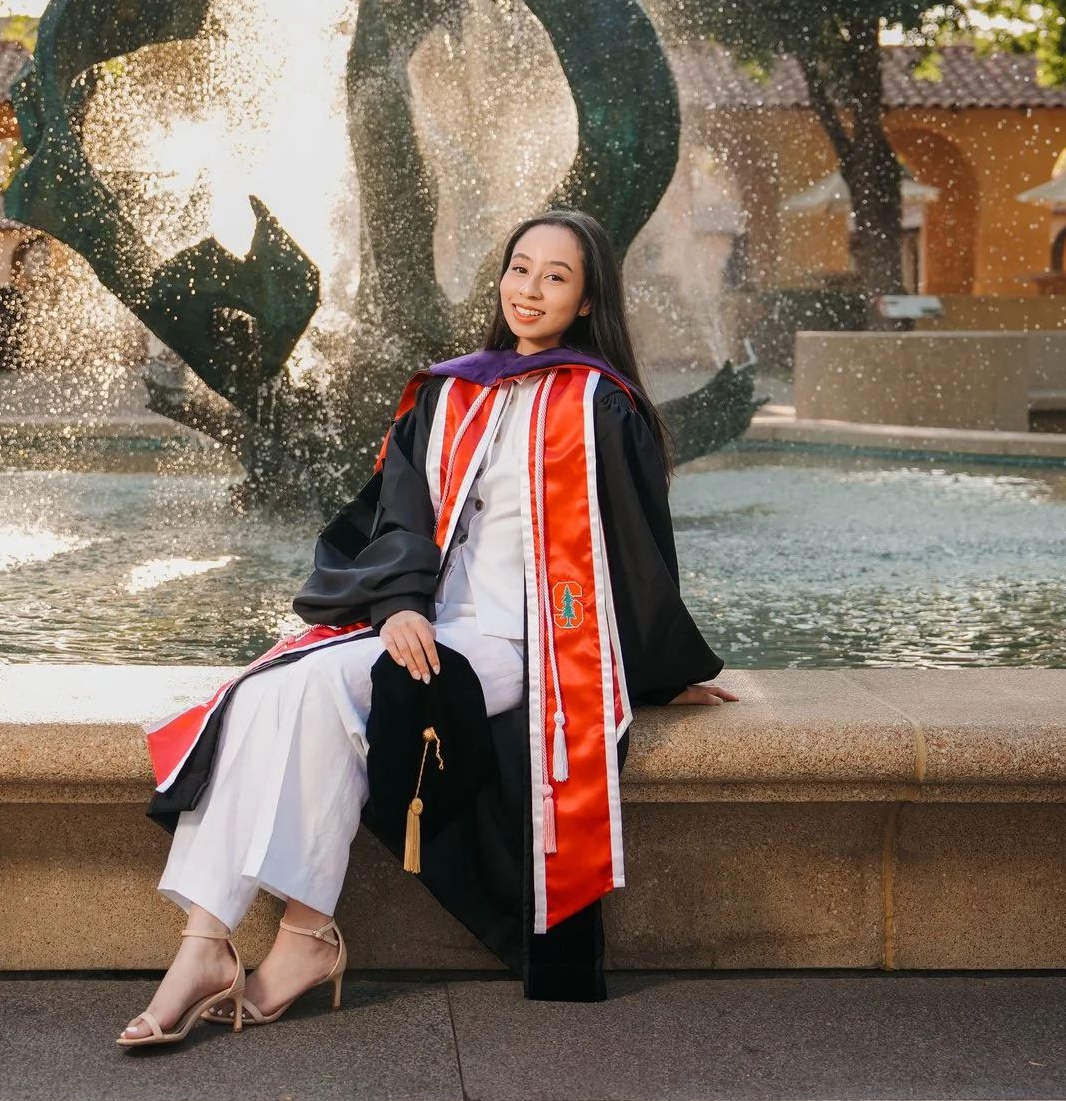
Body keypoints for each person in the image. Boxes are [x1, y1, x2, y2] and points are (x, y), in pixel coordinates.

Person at [118, 209, 737, 1048]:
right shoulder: (451, 390)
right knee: (275, 693)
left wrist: (663, 674)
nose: (531, 289)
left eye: (556, 277)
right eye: (521, 269)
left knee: (323, 685)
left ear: (587, 301)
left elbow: (638, 554)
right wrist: (400, 602)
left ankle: (261, 948)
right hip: (434, 622)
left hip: (529, 646)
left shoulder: (602, 406)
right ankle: (225, 944)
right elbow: (398, 517)